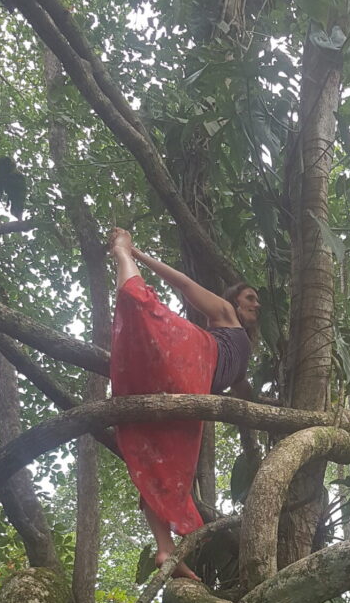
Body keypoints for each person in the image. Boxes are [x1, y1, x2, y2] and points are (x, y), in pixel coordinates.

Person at [109, 228, 259, 579]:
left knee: (167, 464)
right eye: (250, 298)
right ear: (235, 302)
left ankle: (165, 549)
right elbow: (187, 287)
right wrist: (139, 256)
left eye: (256, 302)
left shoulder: (243, 354)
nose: (256, 304)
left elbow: (242, 391)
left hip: (191, 389)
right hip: (194, 356)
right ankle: (121, 254)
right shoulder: (225, 314)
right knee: (142, 305)